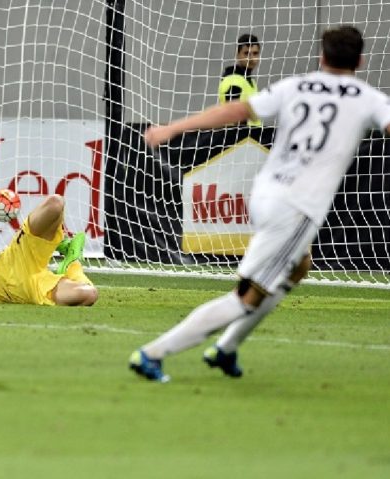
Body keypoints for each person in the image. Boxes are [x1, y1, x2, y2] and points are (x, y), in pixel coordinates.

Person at [131, 25, 390, 382]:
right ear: (360, 61)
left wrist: (173, 128)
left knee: (299, 267)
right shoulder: (370, 99)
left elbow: (236, 111)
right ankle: (154, 352)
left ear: (322, 57)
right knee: (245, 296)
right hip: (297, 206)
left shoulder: (295, 85)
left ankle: (227, 348)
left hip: (266, 193)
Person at [218, 33, 261, 126]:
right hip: (241, 138)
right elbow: (233, 114)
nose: (251, 58)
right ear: (237, 55)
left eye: (255, 53)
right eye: (246, 53)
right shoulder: (234, 80)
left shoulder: (249, 81)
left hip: (251, 137)